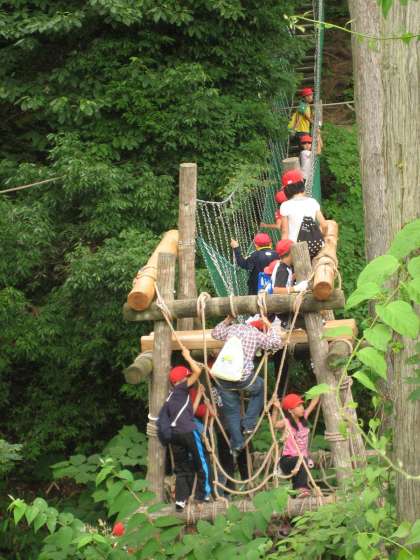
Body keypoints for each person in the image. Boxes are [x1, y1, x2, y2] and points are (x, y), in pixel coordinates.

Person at [211, 315, 283, 456]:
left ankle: (237, 444)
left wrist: (227, 320)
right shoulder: (256, 334)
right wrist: (269, 325)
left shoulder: (234, 328)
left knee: (232, 412)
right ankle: (248, 423)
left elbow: (215, 333)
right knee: (260, 386)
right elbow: (276, 343)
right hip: (241, 378)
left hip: (222, 378)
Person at [165, 348, 210, 510]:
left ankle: (180, 500)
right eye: (186, 377)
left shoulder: (172, 396)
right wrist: (188, 356)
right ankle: (202, 496)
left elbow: (189, 413)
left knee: (182, 468)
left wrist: (199, 395)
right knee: (202, 462)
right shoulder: (182, 388)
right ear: (182, 379)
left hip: (174, 435)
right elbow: (197, 371)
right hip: (187, 432)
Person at [272, 392, 320, 497]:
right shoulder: (287, 422)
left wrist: (320, 389)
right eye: (298, 406)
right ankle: (301, 489)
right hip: (288, 460)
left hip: (301, 462)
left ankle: (296, 494)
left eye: (302, 405)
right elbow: (274, 424)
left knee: (302, 461)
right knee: (302, 460)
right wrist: (275, 408)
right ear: (290, 410)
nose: (302, 408)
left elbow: (314, 402)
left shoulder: (304, 417)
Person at [280, 169, 327, 258]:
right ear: (302, 185)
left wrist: (283, 251)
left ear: (287, 189)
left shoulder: (285, 206)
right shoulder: (313, 202)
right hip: (314, 245)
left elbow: (285, 231)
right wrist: (322, 236)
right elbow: (324, 225)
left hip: (296, 247)